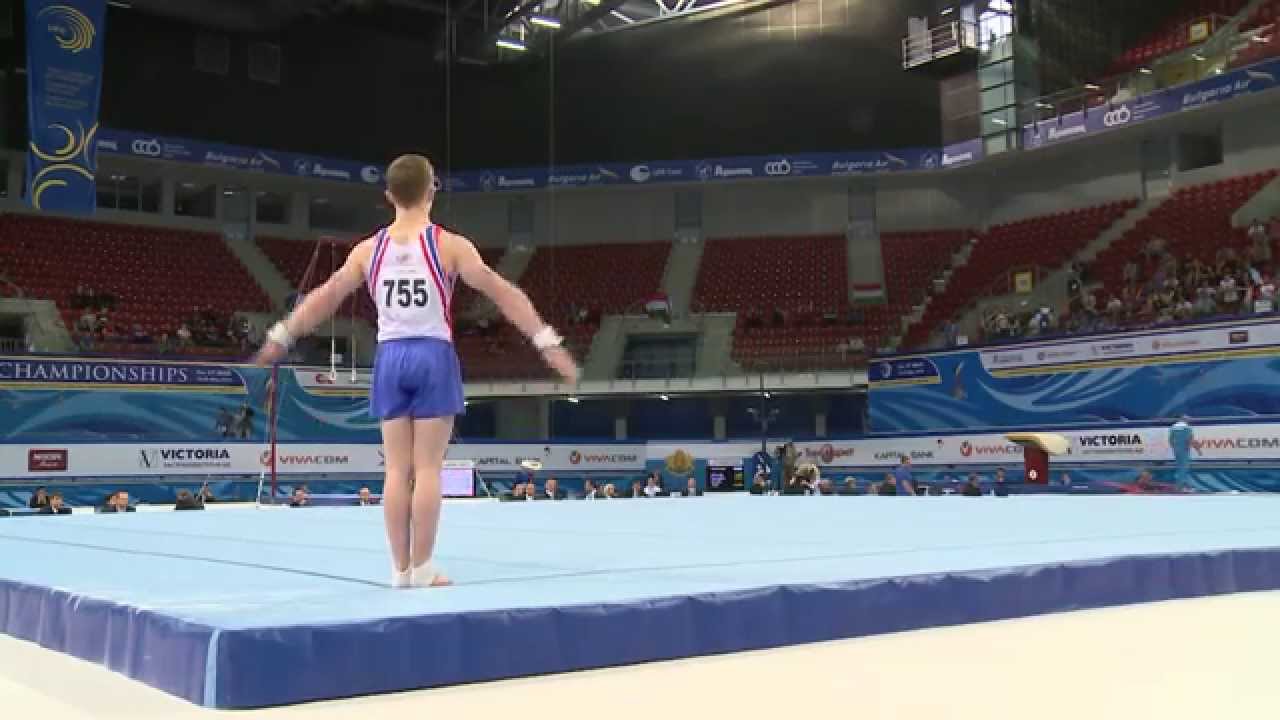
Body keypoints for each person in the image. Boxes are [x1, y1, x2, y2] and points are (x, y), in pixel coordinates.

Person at [254, 154, 578, 589]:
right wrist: (546, 341)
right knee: (427, 469)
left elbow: (326, 295)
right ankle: (423, 566)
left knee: (395, 470)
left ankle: (399, 569)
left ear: (389, 196)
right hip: (432, 354)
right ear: (432, 190)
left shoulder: (368, 250)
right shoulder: (449, 246)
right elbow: (504, 292)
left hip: (389, 356)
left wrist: (283, 333)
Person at [1169, 418, 1196, 490]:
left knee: (1179, 467)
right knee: (1184, 467)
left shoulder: (1173, 427)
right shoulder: (1187, 427)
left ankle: (1186, 485)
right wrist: (1193, 448)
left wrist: (1174, 448)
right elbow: (1190, 440)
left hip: (1176, 449)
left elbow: (1170, 439)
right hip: (1184, 449)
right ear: (1186, 420)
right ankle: (1180, 486)